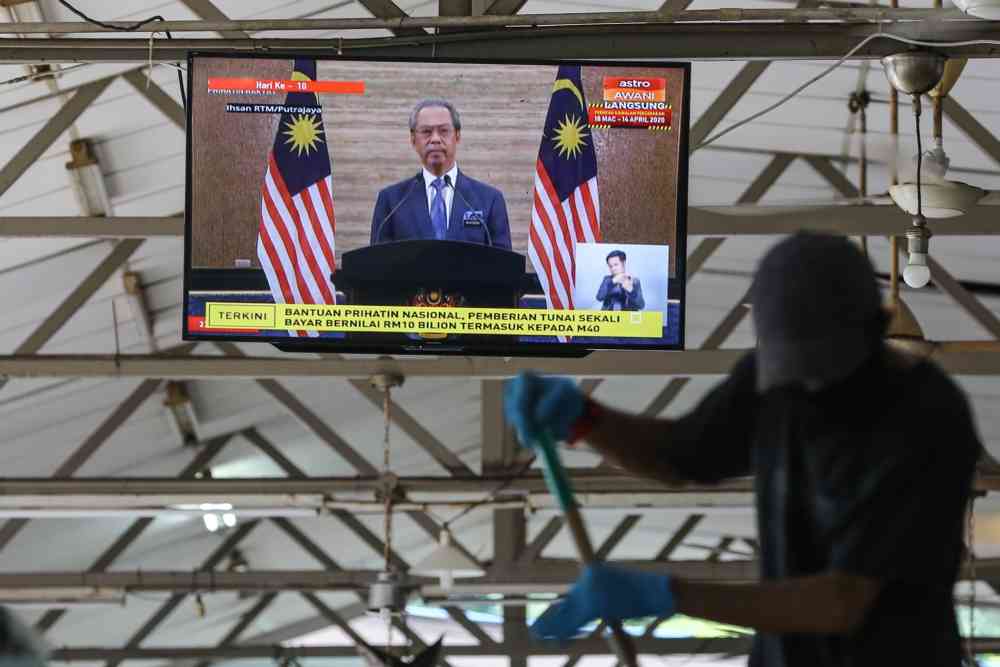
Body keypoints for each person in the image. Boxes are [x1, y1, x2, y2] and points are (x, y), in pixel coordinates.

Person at [504, 232, 981, 666]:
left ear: (876, 330)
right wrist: (586, 420)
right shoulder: (771, 381)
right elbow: (683, 454)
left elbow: (843, 602)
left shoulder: (925, 418)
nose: (806, 390)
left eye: (823, 370)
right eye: (794, 371)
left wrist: (668, 594)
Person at [370, 99, 512, 249]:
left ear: (457, 136)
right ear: (413, 139)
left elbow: (502, 261)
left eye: (444, 131)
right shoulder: (392, 201)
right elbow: (377, 260)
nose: (435, 139)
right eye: (426, 132)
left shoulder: (489, 199)